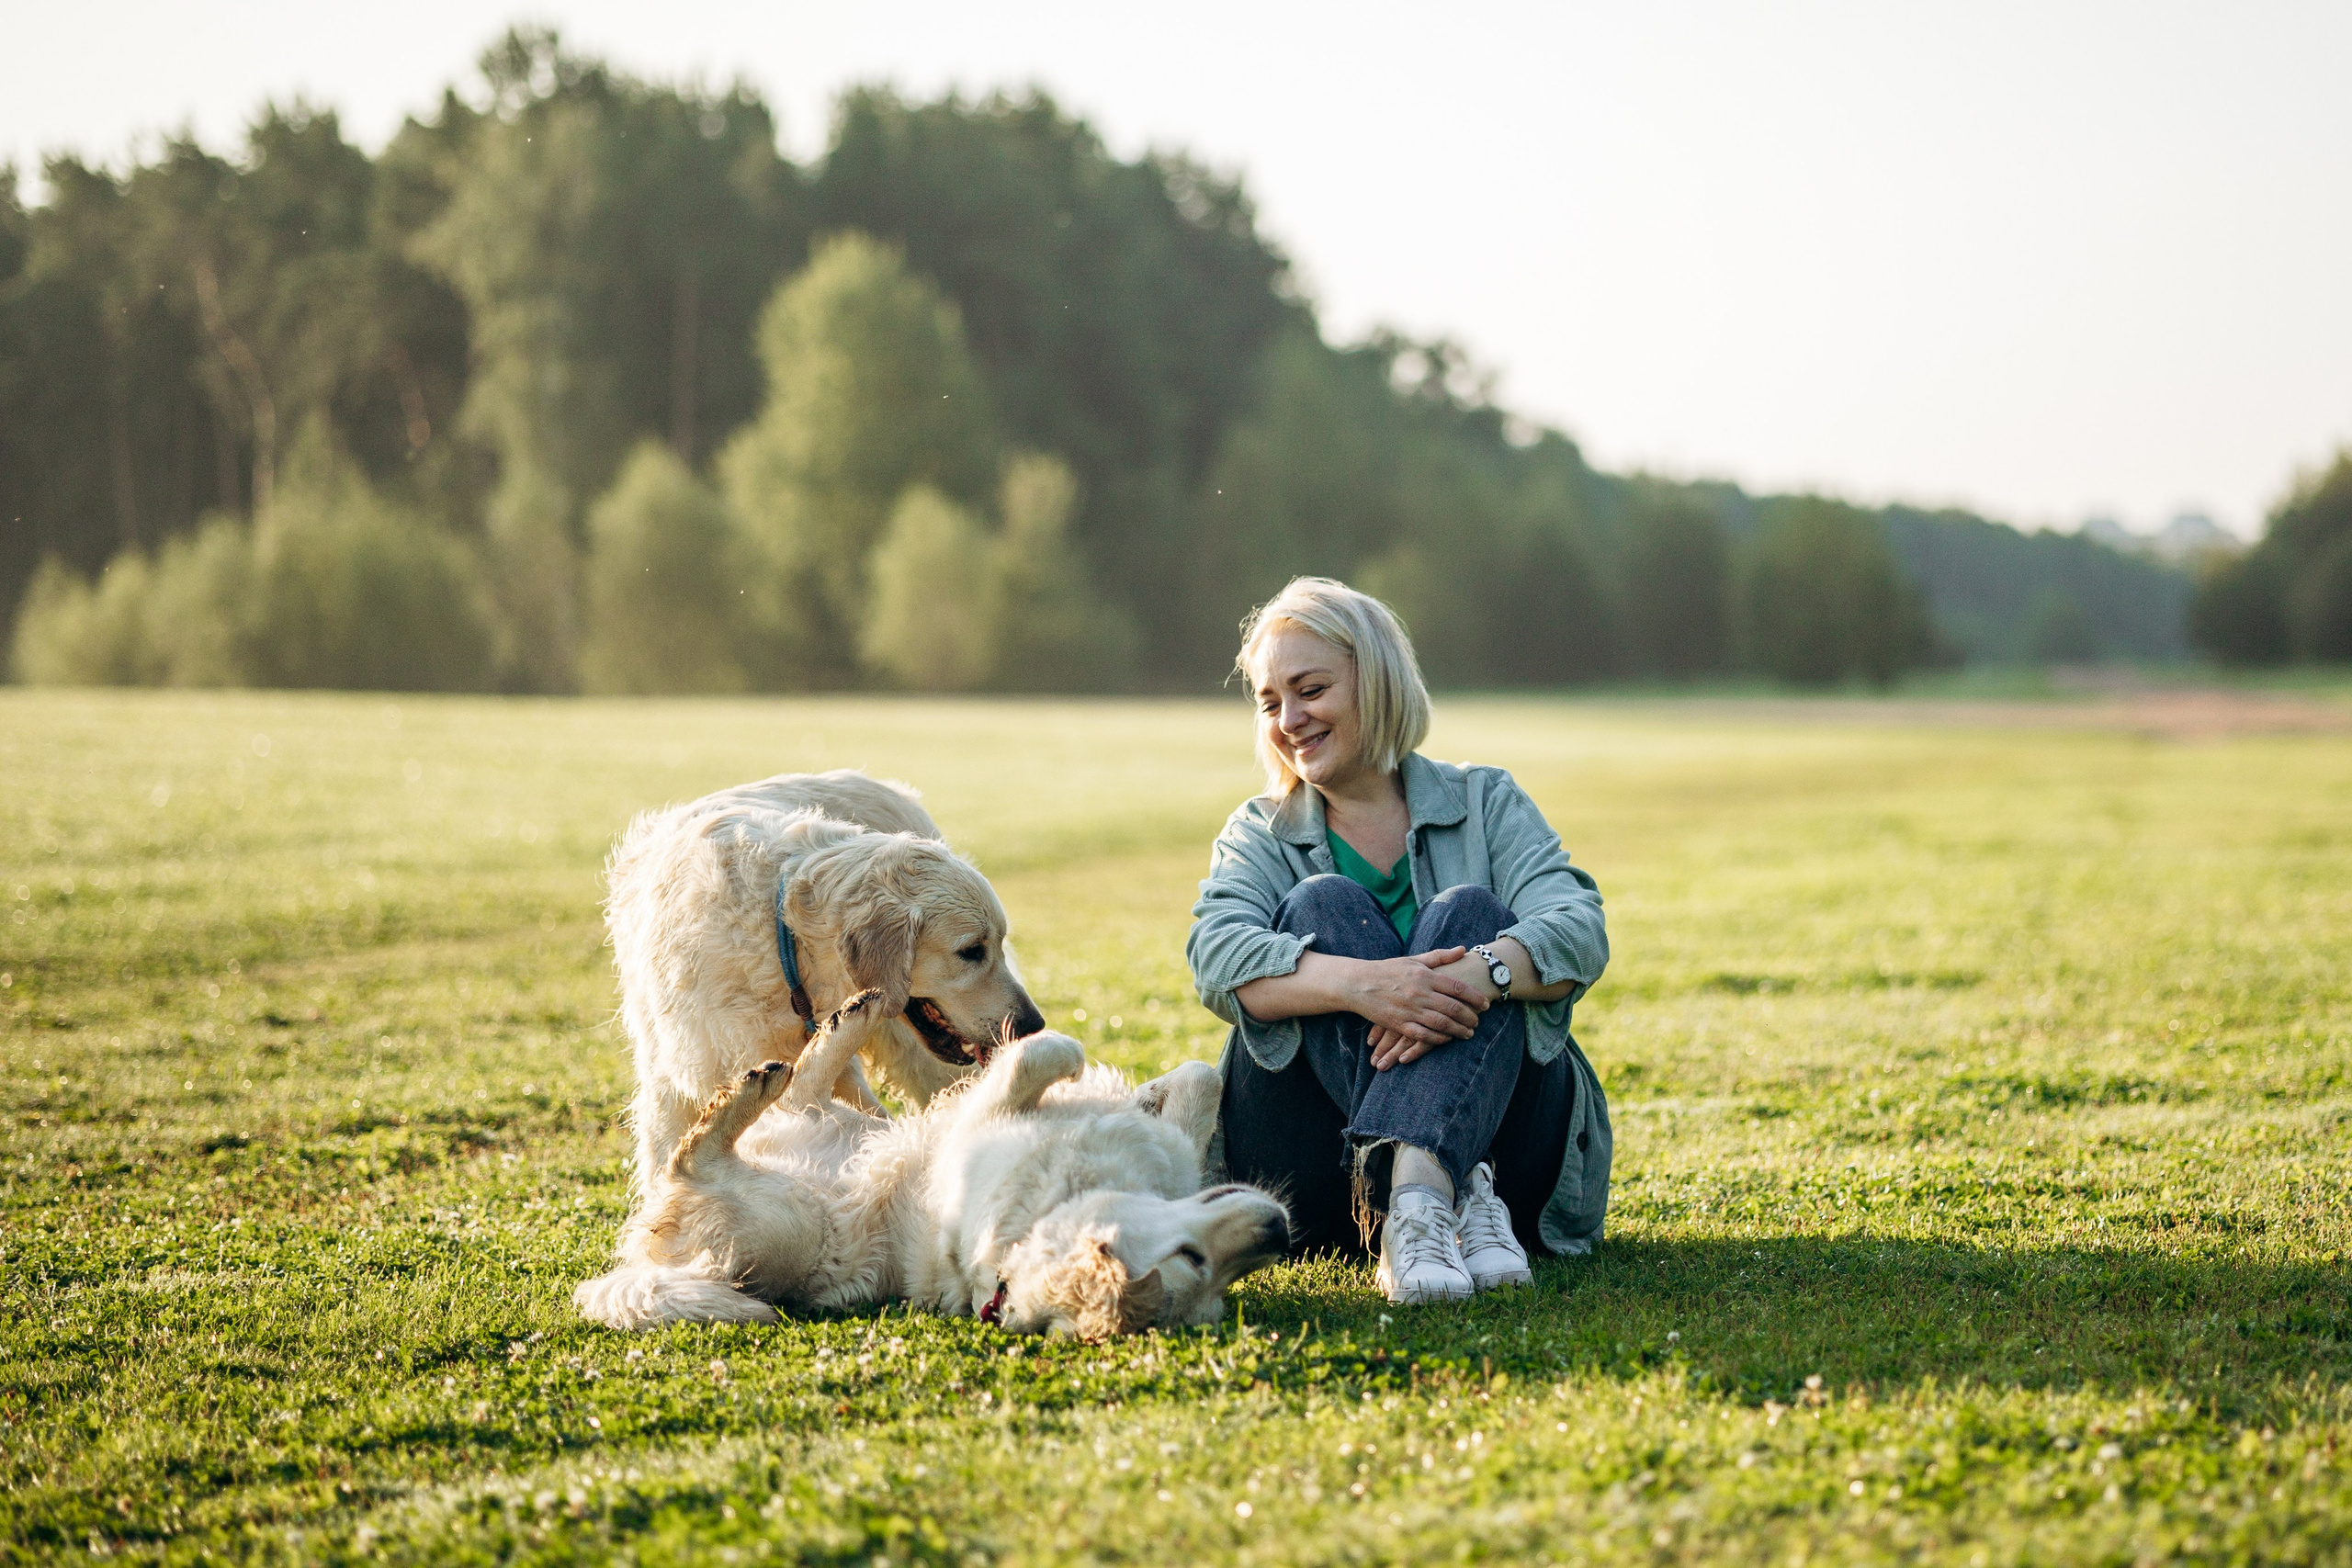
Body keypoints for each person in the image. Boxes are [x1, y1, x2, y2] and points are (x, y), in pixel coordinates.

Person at [1187, 577, 1612, 1303]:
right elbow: (1217, 957)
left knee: (1473, 913)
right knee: (1325, 903)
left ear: (1374, 680)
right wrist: (1366, 986)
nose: (1288, 718)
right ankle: (1443, 1179)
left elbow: (1577, 926)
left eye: (1310, 689)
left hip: (1513, 1174)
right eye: (1269, 701)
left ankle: (1426, 1191)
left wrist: (1479, 974)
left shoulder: (1486, 799)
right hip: (1317, 1177)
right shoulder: (1257, 830)